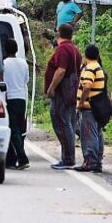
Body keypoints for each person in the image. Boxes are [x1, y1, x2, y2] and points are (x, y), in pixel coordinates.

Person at [45, 23, 81, 170]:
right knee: (69, 123)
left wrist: (51, 87)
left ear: (59, 34)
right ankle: (67, 157)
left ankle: (67, 158)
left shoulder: (62, 49)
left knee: (61, 123)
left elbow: (61, 70)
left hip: (61, 93)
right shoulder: (74, 50)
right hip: (71, 92)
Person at [76, 44, 107, 172]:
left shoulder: (89, 68)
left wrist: (81, 102)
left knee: (89, 134)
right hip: (97, 105)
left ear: (85, 55)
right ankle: (97, 161)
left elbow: (87, 86)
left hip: (89, 106)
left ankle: (90, 161)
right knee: (97, 133)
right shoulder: (98, 67)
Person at [2, 38, 30, 170]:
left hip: (10, 98)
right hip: (21, 98)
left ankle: (22, 158)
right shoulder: (23, 63)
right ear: (17, 49)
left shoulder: (4, 64)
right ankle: (12, 160)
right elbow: (26, 80)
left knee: (13, 130)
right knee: (19, 130)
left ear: (5, 50)